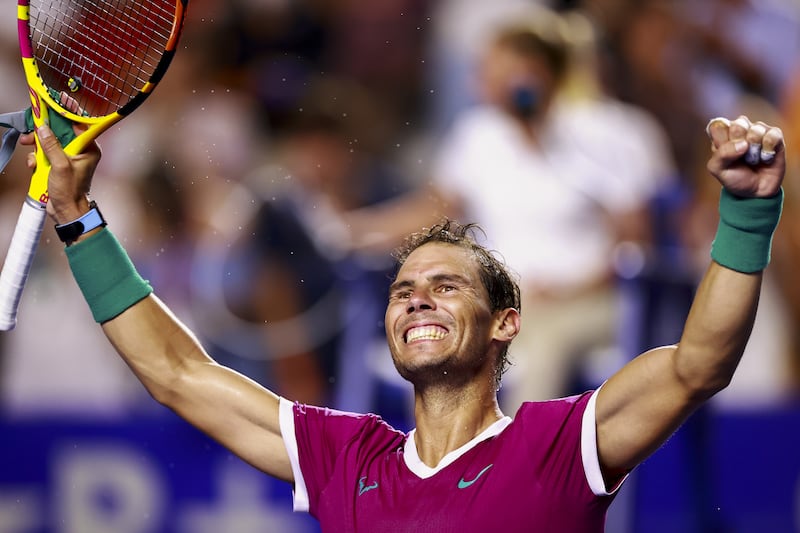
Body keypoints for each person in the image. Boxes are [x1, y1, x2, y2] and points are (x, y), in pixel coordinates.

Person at [22, 113, 784, 530]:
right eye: (402, 289)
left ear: (505, 324)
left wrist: (746, 215)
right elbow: (176, 373)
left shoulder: (557, 444)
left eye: (446, 286)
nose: (415, 297)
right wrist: (79, 220)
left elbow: (697, 364)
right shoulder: (347, 457)